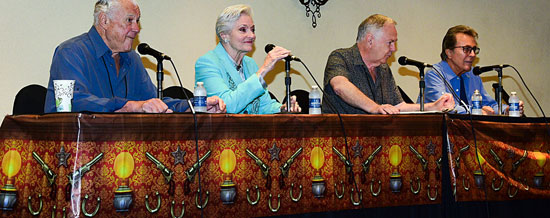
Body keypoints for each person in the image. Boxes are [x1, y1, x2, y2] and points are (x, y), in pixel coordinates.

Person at [44, 0, 225, 113]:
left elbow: (156, 102)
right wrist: (131, 106)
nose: (137, 28)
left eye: (137, 21)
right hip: (79, 153)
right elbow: (73, 101)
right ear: (104, 21)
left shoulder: (132, 59)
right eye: (129, 20)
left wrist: (197, 105)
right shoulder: (71, 52)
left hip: (126, 155)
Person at [322, 14, 454, 114]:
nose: (394, 49)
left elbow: (398, 106)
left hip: (375, 143)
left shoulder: (383, 68)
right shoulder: (340, 57)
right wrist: (375, 107)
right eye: (390, 42)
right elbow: (340, 87)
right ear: (370, 40)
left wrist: (433, 107)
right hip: (339, 142)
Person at [195, 4, 300, 114]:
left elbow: (263, 105)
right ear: (224, 35)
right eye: (243, 30)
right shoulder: (207, 63)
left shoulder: (250, 64)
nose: (252, 35)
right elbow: (226, 106)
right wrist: (264, 69)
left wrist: (282, 109)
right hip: (223, 130)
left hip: (251, 129)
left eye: (253, 29)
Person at [422, 25, 524, 115]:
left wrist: (507, 110)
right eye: (466, 49)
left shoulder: (472, 75)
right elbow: (445, 108)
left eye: (474, 49)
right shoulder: (434, 74)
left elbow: (488, 105)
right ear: (449, 53)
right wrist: (478, 111)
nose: (473, 55)